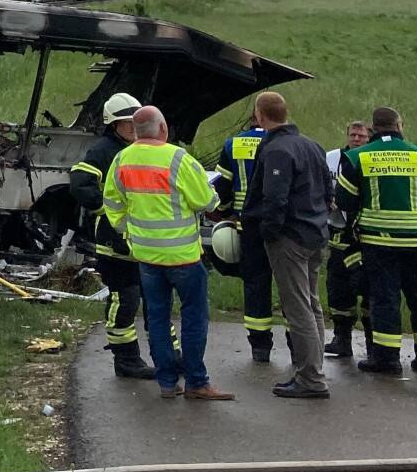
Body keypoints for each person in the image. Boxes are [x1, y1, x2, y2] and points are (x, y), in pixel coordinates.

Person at [105, 105, 233, 401]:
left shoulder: (121, 159)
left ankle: (166, 382)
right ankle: (197, 382)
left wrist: (130, 230)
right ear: (162, 129)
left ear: (136, 131)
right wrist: (213, 198)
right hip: (183, 257)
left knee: (158, 319)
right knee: (193, 318)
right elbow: (205, 200)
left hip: (147, 257)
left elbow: (112, 203)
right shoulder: (178, 158)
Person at [334, 107, 417, 376]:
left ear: (373, 128)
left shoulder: (356, 156)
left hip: (378, 241)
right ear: (399, 125)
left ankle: (387, 359)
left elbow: (345, 201)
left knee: (385, 298)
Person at [241, 91, 332, 399]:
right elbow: (327, 191)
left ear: (260, 115)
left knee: (298, 309)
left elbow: (275, 199)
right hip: (315, 233)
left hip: (290, 238)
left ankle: (310, 378)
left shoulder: (278, 150)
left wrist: (268, 232)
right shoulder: (312, 145)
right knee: (312, 304)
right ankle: (313, 370)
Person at [69, 92, 154, 379]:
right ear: (113, 125)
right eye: (127, 124)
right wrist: (107, 210)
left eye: (136, 123)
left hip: (146, 241)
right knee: (125, 298)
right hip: (114, 243)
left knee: (156, 299)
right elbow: (80, 184)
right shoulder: (103, 151)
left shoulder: (147, 149)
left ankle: (171, 357)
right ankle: (126, 359)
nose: (133, 128)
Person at [220, 111, 278, 362]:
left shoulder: (233, 144)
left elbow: (223, 187)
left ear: (253, 118)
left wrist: (225, 213)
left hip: (247, 225)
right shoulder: (282, 142)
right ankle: (296, 344)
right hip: (280, 225)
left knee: (255, 284)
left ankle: (260, 345)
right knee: (290, 287)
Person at [323, 121, 371, 358]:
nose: (356, 138)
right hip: (339, 238)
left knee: (369, 289)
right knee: (338, 290)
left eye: (361, 136)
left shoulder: (371, 159)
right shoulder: (333, 158)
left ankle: (374, 345)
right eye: (353, 134)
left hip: (365, 239)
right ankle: (342, 339)